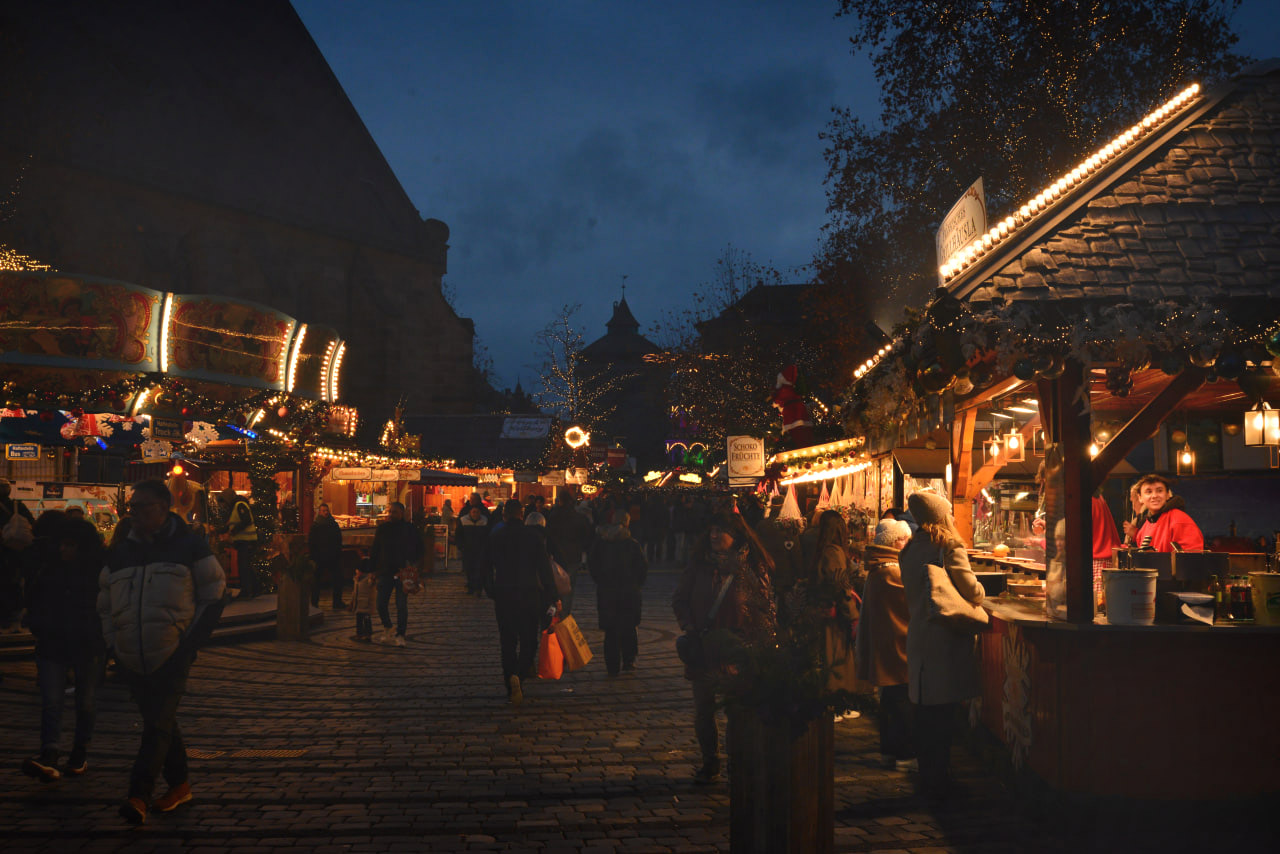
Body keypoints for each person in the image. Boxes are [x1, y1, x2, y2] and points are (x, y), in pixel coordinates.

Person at [98, 479, 226, 824]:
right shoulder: (121, 552)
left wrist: (188, 643)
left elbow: (214, 592)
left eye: (143, 506)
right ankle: (180, 786)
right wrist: (114, 644)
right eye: (133, 507)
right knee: (161, 721)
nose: (136, 513)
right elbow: (104, 603)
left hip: (172, 652)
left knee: (156, 725)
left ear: (164, 508)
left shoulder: (190, 545)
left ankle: (138, 794)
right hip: (130, 655)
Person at [671, 511, 775, 785]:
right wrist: (688, 625)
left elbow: (765, 607)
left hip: (736, 651)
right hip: (704, 648)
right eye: (712, 530)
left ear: (736, 535)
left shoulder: (751, 567)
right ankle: (710, 762)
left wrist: (752, 640)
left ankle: (737, 763)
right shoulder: (699, 565)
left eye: (721, 531)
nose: (714, 535)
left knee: (737, 712)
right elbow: (680, 599)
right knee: (704, 711)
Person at [898, 491, 984, 800]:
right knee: (944, 715)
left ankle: (928, 774)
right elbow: (972, 591)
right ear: (942, 515)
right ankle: (940, 780)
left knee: (925, 713)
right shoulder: (948, 546)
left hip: (919, 636)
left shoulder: (909, 550)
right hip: (944, 640)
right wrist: (982, 589)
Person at [20, 510, 107, 781]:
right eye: (62, 544)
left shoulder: (96, 574)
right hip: (53, 642)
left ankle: (79, 753)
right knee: (52, 701)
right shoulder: (50, 569)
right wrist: (39, 626)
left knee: (85, 702)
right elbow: (34, 599)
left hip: (85, 644)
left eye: (69, 545)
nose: (63, 549)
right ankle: (50, 752)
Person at [857, 519, 915, 769]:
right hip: (897, 644)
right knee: (901, 701)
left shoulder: (881, 567)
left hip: (887, 643)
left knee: (891, 699)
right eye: (905, 539)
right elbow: (911, 603)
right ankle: (904, 754)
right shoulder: (892, 571)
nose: (908, 544)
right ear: (895, 542)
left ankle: (890, 751)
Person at [486, 500, 556, 704]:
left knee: (507, 642)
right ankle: (519, 674)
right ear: (522, 515)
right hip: (529, 594)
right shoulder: (533, 537)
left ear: (504, 516)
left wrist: (491, 590)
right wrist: (552, 595)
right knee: (529, 641)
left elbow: (485, 566)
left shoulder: (496, 536)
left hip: (504, 594)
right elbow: (544, 569)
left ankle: (510, 683)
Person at [804, 510, 860, 722]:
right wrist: (852, 615)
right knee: (836, 659)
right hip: (833, 617)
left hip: (824, 613)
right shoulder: (834, 552)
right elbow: (840, 586)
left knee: (828, 657)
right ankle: (836, 704)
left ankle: (832, 703)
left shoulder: (823, 550)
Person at [588, 510, 648, 676]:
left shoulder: (601, 543)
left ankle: (612, 666)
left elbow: (592, 565)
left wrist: (601, 581)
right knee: (629, 628)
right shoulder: (632, 544)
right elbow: (642, 568)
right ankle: (628, 661)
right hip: (629, 593)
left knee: (611, 631)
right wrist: (636, 584)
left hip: (607, 592)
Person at [368, 502, 422, 646]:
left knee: (401, 605)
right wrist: (372, 570)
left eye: (395, 512)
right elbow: (375, 549)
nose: (391, 514)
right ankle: (388, 627)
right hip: (385, 571)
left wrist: (413, 564)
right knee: (380, 604)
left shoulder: (409, 529)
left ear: (401, 513)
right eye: (390, 512)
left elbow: (419, 547)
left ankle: (400, 634)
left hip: (402, 573)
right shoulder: (382, 529)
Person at [545, 492, 593, 615]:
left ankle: (554, 613)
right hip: (573, 556)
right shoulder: (579, 517)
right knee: (568, 588)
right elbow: (587, 537)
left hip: (556, 557)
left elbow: (548, 536)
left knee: (554, 587)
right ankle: (564, 614)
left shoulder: (553, 516)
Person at [1131, 474, 1203, 552]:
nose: (1154, 496)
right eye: (1149, 492)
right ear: (1140, 498)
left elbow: (1192, 556)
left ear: (1168, 495)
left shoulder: (1179, 520)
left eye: (1159, 491)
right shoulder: (1145, 526)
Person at [1, 477, 36, 630]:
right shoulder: (17, 505)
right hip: (15, 550)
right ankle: (13, 616)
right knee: (14, 582)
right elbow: (32, 523)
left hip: (3, 550)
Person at [222, 489, 259, 599]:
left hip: (246, 541)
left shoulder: (239, 505)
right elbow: (233, 524)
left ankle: (246, 591)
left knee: (243, 567)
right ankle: (255, 589)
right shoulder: (237, 506)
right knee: (246, 566)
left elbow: (246, 520)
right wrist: (221, 530)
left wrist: (233, 531)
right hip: (246, 541)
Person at [308, 503, 344, 610]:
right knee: (319, 581)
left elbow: (338, 540)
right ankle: (317, 603)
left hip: (329, 556)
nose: (325, 512)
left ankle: (330, 602)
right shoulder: (321, 525)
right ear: (319, 512)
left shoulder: (325, 525)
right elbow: (312, 542)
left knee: (334, 580)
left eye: (326, 510)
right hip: (323, 556)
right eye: (323, 510)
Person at [457, 503, 491, 595]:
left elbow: (488, 535)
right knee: (469, 569)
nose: (475, 514)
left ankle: (478, 588)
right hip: (468, 549)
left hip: (480, 549)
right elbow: (459, 534)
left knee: (479, 569)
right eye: (474, 512)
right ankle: (471, 586)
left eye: (477, 512)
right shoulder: (463, 520)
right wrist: (461, 546)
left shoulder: (484, 521)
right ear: (470, 513)